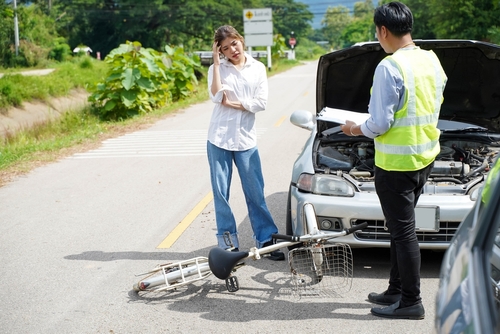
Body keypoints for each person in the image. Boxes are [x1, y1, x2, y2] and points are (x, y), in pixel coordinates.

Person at [341, 2, 447, 320]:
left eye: (377, 32)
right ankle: (396, 289)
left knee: (402, 232)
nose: (378, 37)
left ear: (383, 30)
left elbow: (380, 124)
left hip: (396, 165)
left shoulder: (390, 67)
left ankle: (411, 301)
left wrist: (354, 128)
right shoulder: (431, 59)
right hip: (423, 158)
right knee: (399, 228)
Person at [206, 25, 284, 261]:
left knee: (255, 192)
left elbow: (261, 103)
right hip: (219, 138)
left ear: (241, 40)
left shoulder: (257, 68)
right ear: (220, 51)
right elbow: (217, 96)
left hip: (246, 140)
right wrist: (217, 65)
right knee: (221, 194)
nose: (232, 50)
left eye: (234, 43)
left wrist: (235, 103)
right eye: (225, 48)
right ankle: (228, 243)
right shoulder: (216, 68)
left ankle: (266, 240)